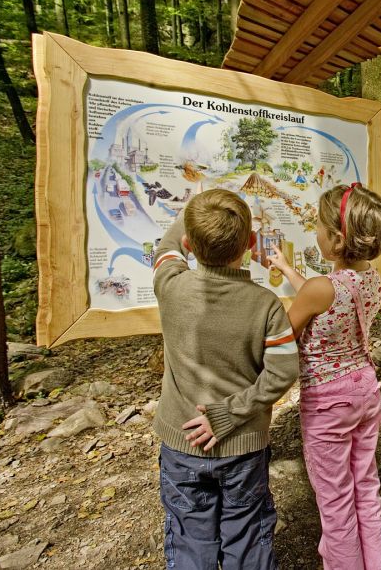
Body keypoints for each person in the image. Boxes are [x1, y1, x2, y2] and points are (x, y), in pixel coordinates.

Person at [152, 188, 299, 570]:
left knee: (188, 538)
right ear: (251, 243)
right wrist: (230, 413)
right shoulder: (265, 305)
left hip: (181, 443)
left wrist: (193, 208)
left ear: (189, 243)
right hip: (243, 448)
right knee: (247, 536)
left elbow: (166, 249)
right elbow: (283, 371)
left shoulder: (171, 287)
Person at [267, 183, 381, 570]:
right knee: (366, 489)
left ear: (337, 240)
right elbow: (319, 293)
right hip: (365, 392)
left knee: (336, 503)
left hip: (329, 402)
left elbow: (281, 334)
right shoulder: (369, 278)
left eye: (320, 227)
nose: (315, 233)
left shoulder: (323, 288)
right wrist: (288, 268)